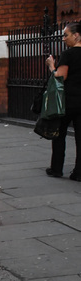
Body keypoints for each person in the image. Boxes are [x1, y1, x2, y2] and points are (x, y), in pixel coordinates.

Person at [45, 22, 81, 181]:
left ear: (76, 35)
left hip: (68, 102)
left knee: (59, 135)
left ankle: (56, 168)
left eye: (66, 35)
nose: (63, 38)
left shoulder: (69, 54)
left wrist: (52, 66)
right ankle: (79, 173)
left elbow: (60, 77)